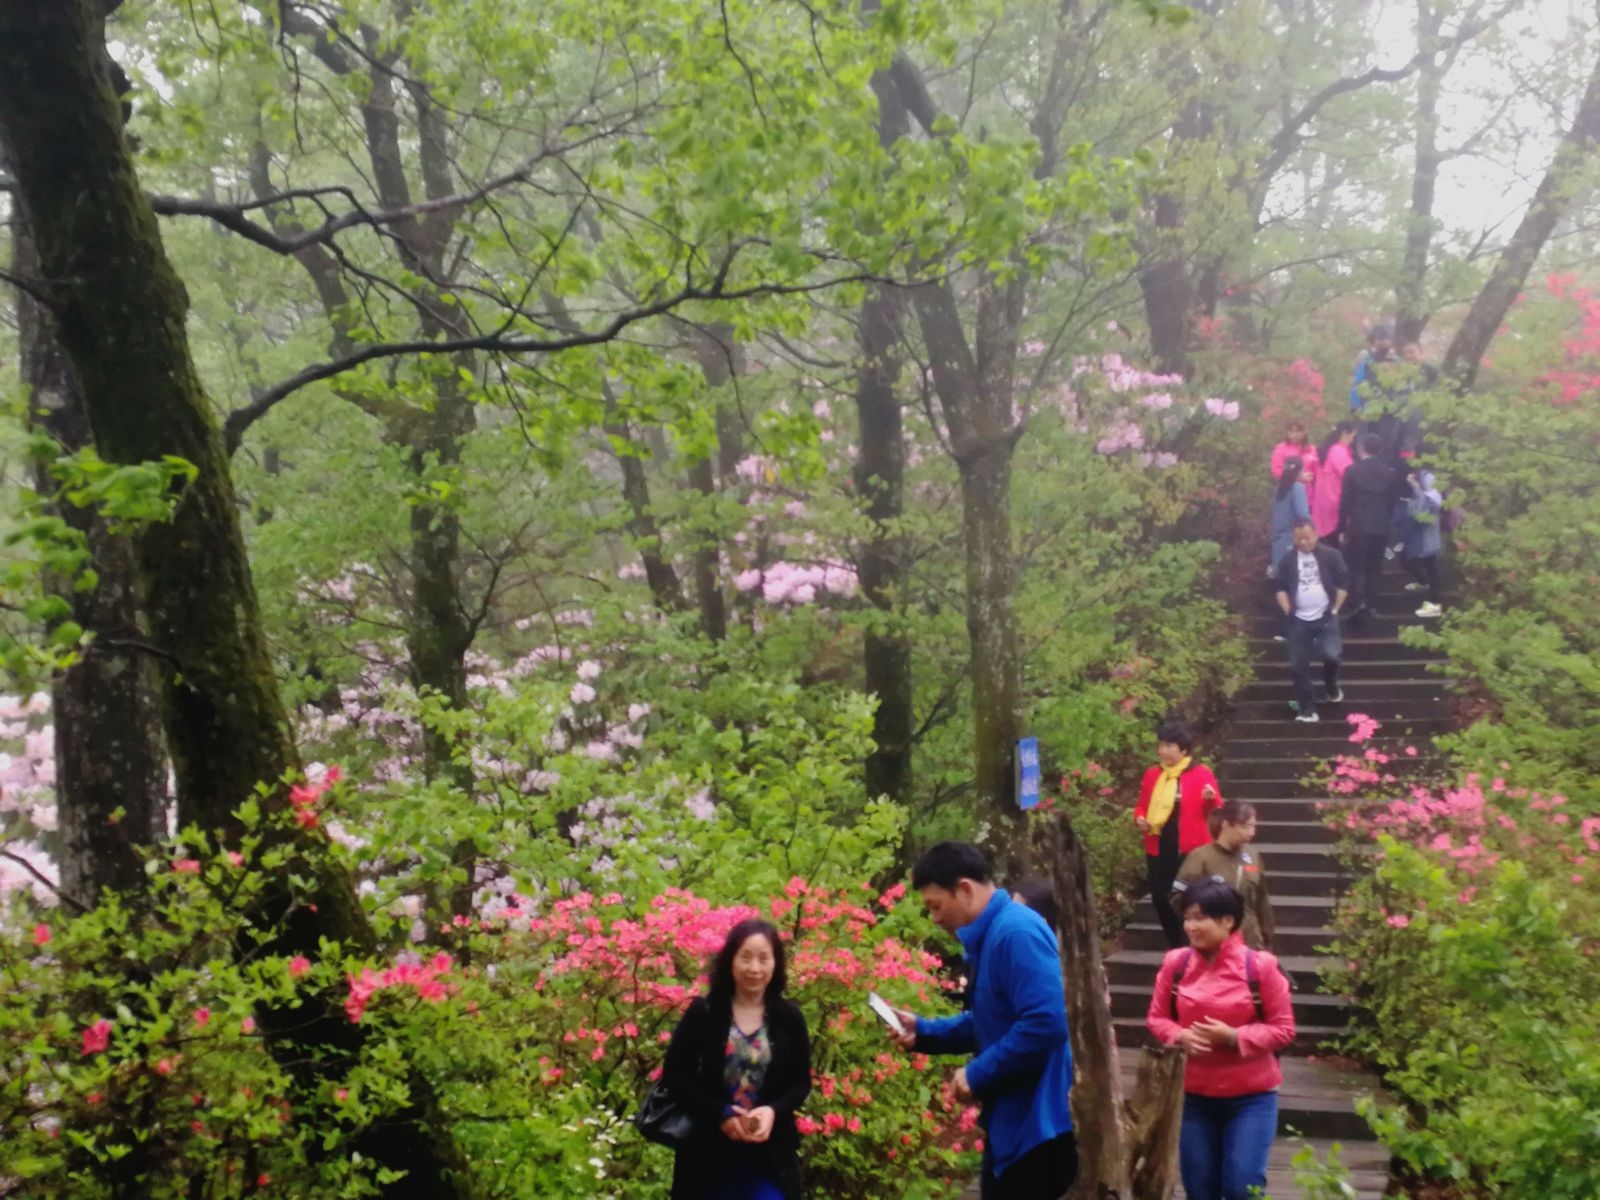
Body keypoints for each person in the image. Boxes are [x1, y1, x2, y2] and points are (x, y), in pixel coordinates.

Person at [886, 842, 1076, 1200]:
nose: (935, 918)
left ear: (965, 890)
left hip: (1039, 1129)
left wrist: (978, 1072)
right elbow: (993, 1020)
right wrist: (923, 1031)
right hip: (1014, 1126)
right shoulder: (992, 935)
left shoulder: (1015, 933)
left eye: (936, 906)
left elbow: (1047, 1022)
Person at [1147, 880, 1297, 1200]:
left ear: (1227, 921)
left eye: (1200, 918)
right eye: (1187, 918)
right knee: (1199, 1188)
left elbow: (1284, 1028)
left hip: (1252, 1097)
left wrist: (1234, 1036)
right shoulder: (1176, 964)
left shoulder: (1260, 967)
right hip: (1193, 1096)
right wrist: (1179, 1035)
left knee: (1242, 1187)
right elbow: (1157, 1018)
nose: (1190, 926)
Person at [661, 919, 812, 1200]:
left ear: (775, 964)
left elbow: (800, 1083)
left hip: (769, 1159)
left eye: (764, 959)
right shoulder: (704, 1012)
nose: (754, 968)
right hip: (707, 1157)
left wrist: (772, 1111)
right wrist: (720, 1113)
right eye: (746, 957)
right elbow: (675, 1075)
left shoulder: (789, 1018)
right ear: (730, 960)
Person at [1134, 722, 1224, 947]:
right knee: (1160, 897)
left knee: (1189, 898)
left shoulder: (1200, 773)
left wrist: (1210, 798)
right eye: (1161, 746)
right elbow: (1141, 806)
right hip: (1159, 845)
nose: (1162, 751)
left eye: (1168, 746)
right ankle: (1176, 944)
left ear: (1183, 749)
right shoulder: (1153, 774)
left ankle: (1191, 945)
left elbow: (1216, 809)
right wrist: (1140, 819)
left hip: (1190, 849)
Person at [1173, 802, 1275, 951]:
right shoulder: (1200, 858)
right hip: (1214, 948)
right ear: (1226, 825)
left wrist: (1267, 940)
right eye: (1245, 827)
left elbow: (1262, 902)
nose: (1251, 833)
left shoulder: (1252, 856)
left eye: (1253, 826)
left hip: (1251, 946)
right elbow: (1177, 898)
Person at [1274, 520, 1349, 724]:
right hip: (1298, 619)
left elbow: (1343, 583)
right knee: (1299, 666)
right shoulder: (1288, 559)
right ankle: (1307, 710)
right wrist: (1287, 608)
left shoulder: (1331, 555)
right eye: (1299, 539)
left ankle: (1331, 685)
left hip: (1325, 615)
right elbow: (1280, 587)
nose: (1304, 542)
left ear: (1316, 535)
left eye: (1307, 537)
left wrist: (1334, 609)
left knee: (1331, 656)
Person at [1338, 431, 1400, 620]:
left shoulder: (1352, 470)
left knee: (1357, 566)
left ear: (1361, 449)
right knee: (1375, 566)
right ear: (1379, 450)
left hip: (1358, 524)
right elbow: (1393, 501)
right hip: (1381, 524)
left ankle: (1359, 602)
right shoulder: (1389, 472)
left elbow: (1345, 501)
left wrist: (1342, 527)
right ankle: (1373, 604)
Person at [1401, 469, 1444, 618]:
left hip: (1427, 540)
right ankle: (1424, 584)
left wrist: (1415, 488)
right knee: (1408, 558)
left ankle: (1434, 605)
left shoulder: (1430, 497)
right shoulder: (1432, 496)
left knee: (1431, 570)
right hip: (1425, 539)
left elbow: (1418, 514)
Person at [1310, 422, 1356, 539]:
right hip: (1334, 502)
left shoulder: (1328, 450)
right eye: (1352, 436)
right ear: (1344, 433)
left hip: (1323, 502)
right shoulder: (1338, 451)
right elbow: (1350, 474)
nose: (1353, 440)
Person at [1268, 455, 1310, 576]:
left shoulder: (1279, 488)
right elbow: (1302, 514)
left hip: (1278, 538)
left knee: (1280, 576)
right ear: (1300, 471)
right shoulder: (1297, 487)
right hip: (1292, 537)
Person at [1348, 324, 1395, 415]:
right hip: (1368, 409)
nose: (1383, 341)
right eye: (1379, 338)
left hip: (1391, 410)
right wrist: (1355, 406)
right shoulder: (1367, 360)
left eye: (1385, 338)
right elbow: (1357, 383)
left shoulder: (1397, 361)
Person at [1269, 421, 1319, 488]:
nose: (1294, 435)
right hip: (1289, 492)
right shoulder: (1281, 448)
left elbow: (1319, 471)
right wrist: (1297, 477)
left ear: (1303, 433)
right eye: (1291, 431)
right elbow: (1277, 470)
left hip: (1310, 493)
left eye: (1297, 431)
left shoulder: (1312, 450)